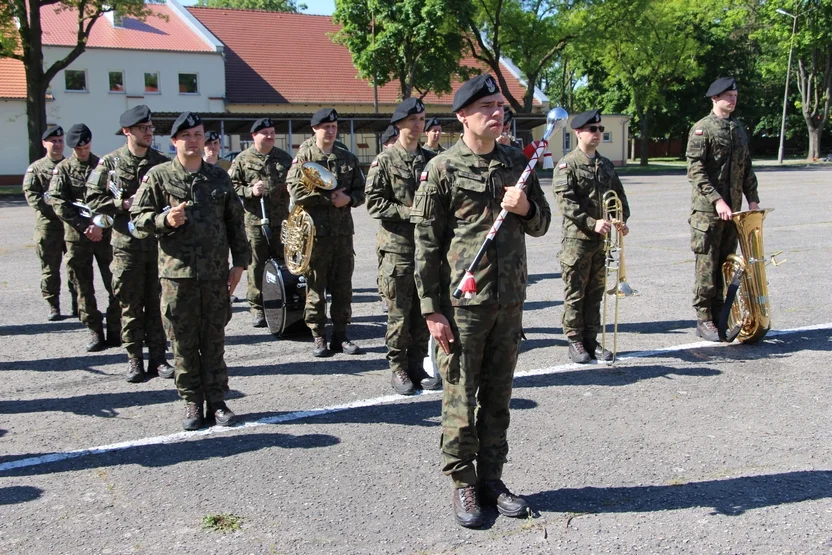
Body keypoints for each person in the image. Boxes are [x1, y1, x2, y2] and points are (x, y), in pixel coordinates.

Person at [412, 74, 551, 528]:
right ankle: (463, 482)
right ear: (462, 117)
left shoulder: (517, 161)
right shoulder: (442, 169)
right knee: (459, 395)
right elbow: (426, 245)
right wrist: (432, 310)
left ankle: (493, 477)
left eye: (499, 105)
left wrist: (526, 207)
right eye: (486, 107)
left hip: (509, 300)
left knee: (498, 395)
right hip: (463, 306)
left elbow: (542, 223)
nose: (497, 112)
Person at [131, 111, 249, 431]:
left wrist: (240, 263)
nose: (194, 140)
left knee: (214, 340)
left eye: (198, 134)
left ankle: (217, 400)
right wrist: (164, 221)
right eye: (186, 136)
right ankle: (192, 402)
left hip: (214, 276)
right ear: (174, 142)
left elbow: (235, 223)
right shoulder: (158, 177)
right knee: (183, 342)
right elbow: (136, 221)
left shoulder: (219, 177)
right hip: (177, 278)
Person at [86, 105, 173, 383]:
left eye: (150, 128)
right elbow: (92, 199)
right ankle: (134, 358)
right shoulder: (110, 164)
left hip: (158, 246)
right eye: (142, 129)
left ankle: (159, 358)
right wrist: (122, 204)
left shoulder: (161, 162)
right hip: (126, 246)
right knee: (130, 304)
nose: (148, 133)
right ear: (127, 131)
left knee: (158, 303)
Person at [366, 98, 440, 395]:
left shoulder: (432, 160)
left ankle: (417, 365)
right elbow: (373, 202)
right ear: (399, 125)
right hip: (397, 249)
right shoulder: (384, 161)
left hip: (427, 248)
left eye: (421, 119)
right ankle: (398, 368)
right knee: (399, 312)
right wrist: (410, 213)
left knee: (424, 310)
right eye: (412, 120)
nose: (418, 124)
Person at [552, 110, 630, 364]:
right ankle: (574, 339)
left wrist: (621, 220)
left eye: (600, 129)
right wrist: (591, 222)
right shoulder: (567, 165)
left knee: (595, 293)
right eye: (592, 129)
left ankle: (590, 339)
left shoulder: (605, 164)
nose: (597, 133)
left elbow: (618, 196)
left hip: (602, 241)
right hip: (577, 242)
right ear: (578, 133)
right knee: (576, 293)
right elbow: (566, 203)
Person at [286, 108, 365, 358]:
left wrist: (350, 199)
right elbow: (296, 192)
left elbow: (362, 191)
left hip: (342, 235)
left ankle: (341, 336)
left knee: (343, 287)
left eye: (334, 126)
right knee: (315, 287)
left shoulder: (347, 157)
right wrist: (330, 199)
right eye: (325, 127)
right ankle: (318, 335)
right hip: (315, 236)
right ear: (314, 129)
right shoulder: (304, 157)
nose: (330, 131)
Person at [686, 77, 760, 341]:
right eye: (727, 95)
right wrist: (717, 200)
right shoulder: (702, 130)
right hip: (708, 213)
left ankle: (721, 316)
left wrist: (753, 199)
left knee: (726, 266)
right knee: (706, 266)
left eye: (735, 95)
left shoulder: (738, 129)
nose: (733, 99)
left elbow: (746, 167)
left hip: (734, 212)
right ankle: (704, 319)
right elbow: (695, 171)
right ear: (714, 98)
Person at [49, 124, 120, 352]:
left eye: (85, 146)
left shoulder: (104, 166)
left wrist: (99, 224)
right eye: (78, 148)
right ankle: (94, 330)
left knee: (116, 283)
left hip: (105, 236)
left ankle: (116, 329)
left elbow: (113, 198)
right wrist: (85, 226)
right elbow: (58, 202)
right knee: (82, 286)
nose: (82, 151)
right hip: (78, 237)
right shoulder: (63, 169)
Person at [229, 118, 294, 327]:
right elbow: (231, 186)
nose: (270, 136)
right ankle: (257, 306)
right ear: (254, 136)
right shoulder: (242, 159)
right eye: (265, 132)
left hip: (281, 221)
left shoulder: (284, 158)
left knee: (282, 263)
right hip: (255, 222)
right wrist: (250, 191)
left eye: (272, 132)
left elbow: (294, 181)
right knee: (257, 264)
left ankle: (279, 301)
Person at [22, 126, 77, 321]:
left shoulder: (71, 165)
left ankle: (78, 304)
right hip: (48, 226)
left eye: (60, 141)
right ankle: (53, 305)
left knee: (75, 267)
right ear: (44, 143)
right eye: (53, 141)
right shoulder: (36, 168)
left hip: (71, 226)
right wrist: (58, 209)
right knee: (50, 268)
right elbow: (32, 196)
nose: (58, 144)